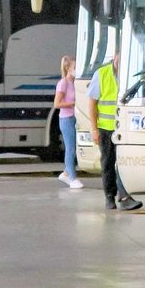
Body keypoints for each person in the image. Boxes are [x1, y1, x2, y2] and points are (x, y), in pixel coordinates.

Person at [84, 48, 142, 212]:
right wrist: (94, 129)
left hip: (124, 128)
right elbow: (92, 104)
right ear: (115, 57)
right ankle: (109, 197)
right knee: (108, 164)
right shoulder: (101, 74)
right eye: (120, 58)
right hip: (106, 129)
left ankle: (124, 196)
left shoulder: (131, 74)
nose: (122, 62)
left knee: (123, 164)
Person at [55, 56, 84, 189]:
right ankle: (72, 178)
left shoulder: (74, 83)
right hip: (66, 119)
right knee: (70, 148)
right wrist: (74, 103)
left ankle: (66, 173)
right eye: (75, 68)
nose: (77, 70)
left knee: (74, 148)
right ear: (68, 68)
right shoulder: (63, 83)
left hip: (74, 118)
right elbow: (57, 103)